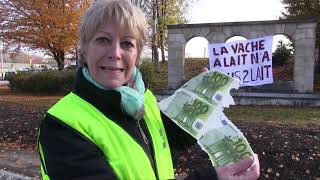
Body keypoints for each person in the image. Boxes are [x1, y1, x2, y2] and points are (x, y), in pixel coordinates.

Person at [38, 0, 260, 179]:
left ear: (137, 55)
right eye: (103, 40)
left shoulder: (141, 98)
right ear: (84, 50)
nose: (115, 53)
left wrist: (200, 97)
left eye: (127, 44)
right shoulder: (62, 126)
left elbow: (171, 138)